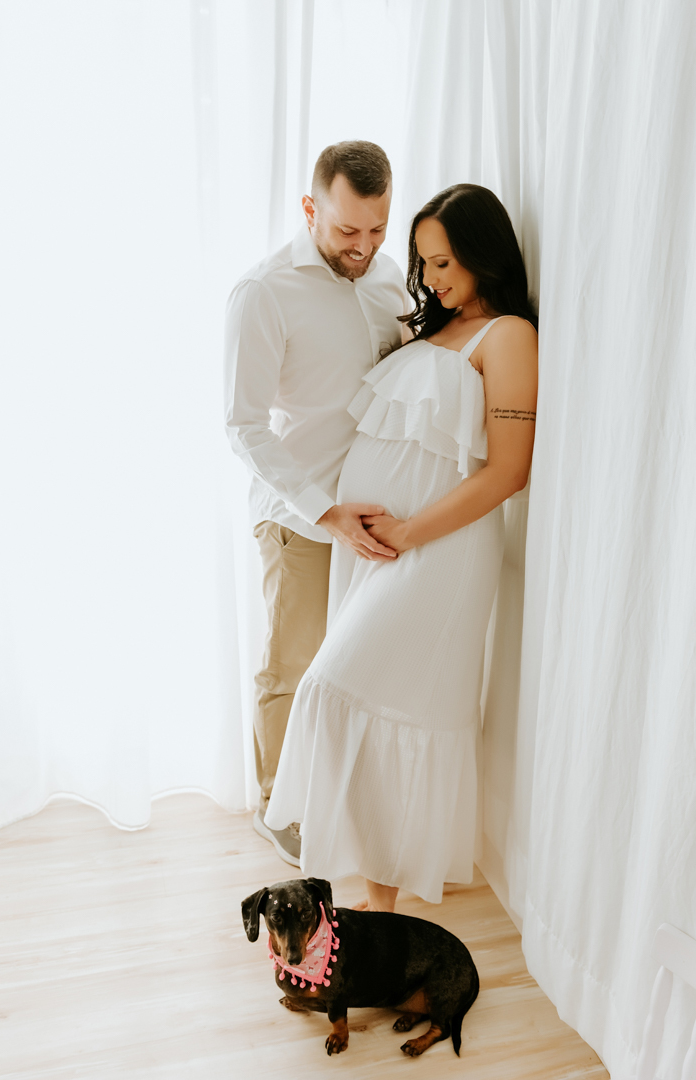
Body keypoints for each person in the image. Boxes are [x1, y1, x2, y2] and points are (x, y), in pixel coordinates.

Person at [265, 183, 538, 909]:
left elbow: (509, 470)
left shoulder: (507, 335)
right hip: (376, 551)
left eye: (444, 263)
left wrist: (411, 532)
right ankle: (376, 908)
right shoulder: (432, 331)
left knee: (341, 693)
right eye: (422, 263)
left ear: (483, 254)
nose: (430, 278)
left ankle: (377, 907)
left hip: (439, 553)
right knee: (361, 708)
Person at [224, 142, 407, 866]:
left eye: (377, 229)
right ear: (310, 209)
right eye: (346, 230)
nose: (363, 247)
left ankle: (346, 797)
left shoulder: (389, 279)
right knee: (292, 665)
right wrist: (321, 509)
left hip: (379, 518)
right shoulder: (263, 292)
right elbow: (242, 426)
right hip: (299, 516)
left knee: (358, 669)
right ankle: (278, 808)